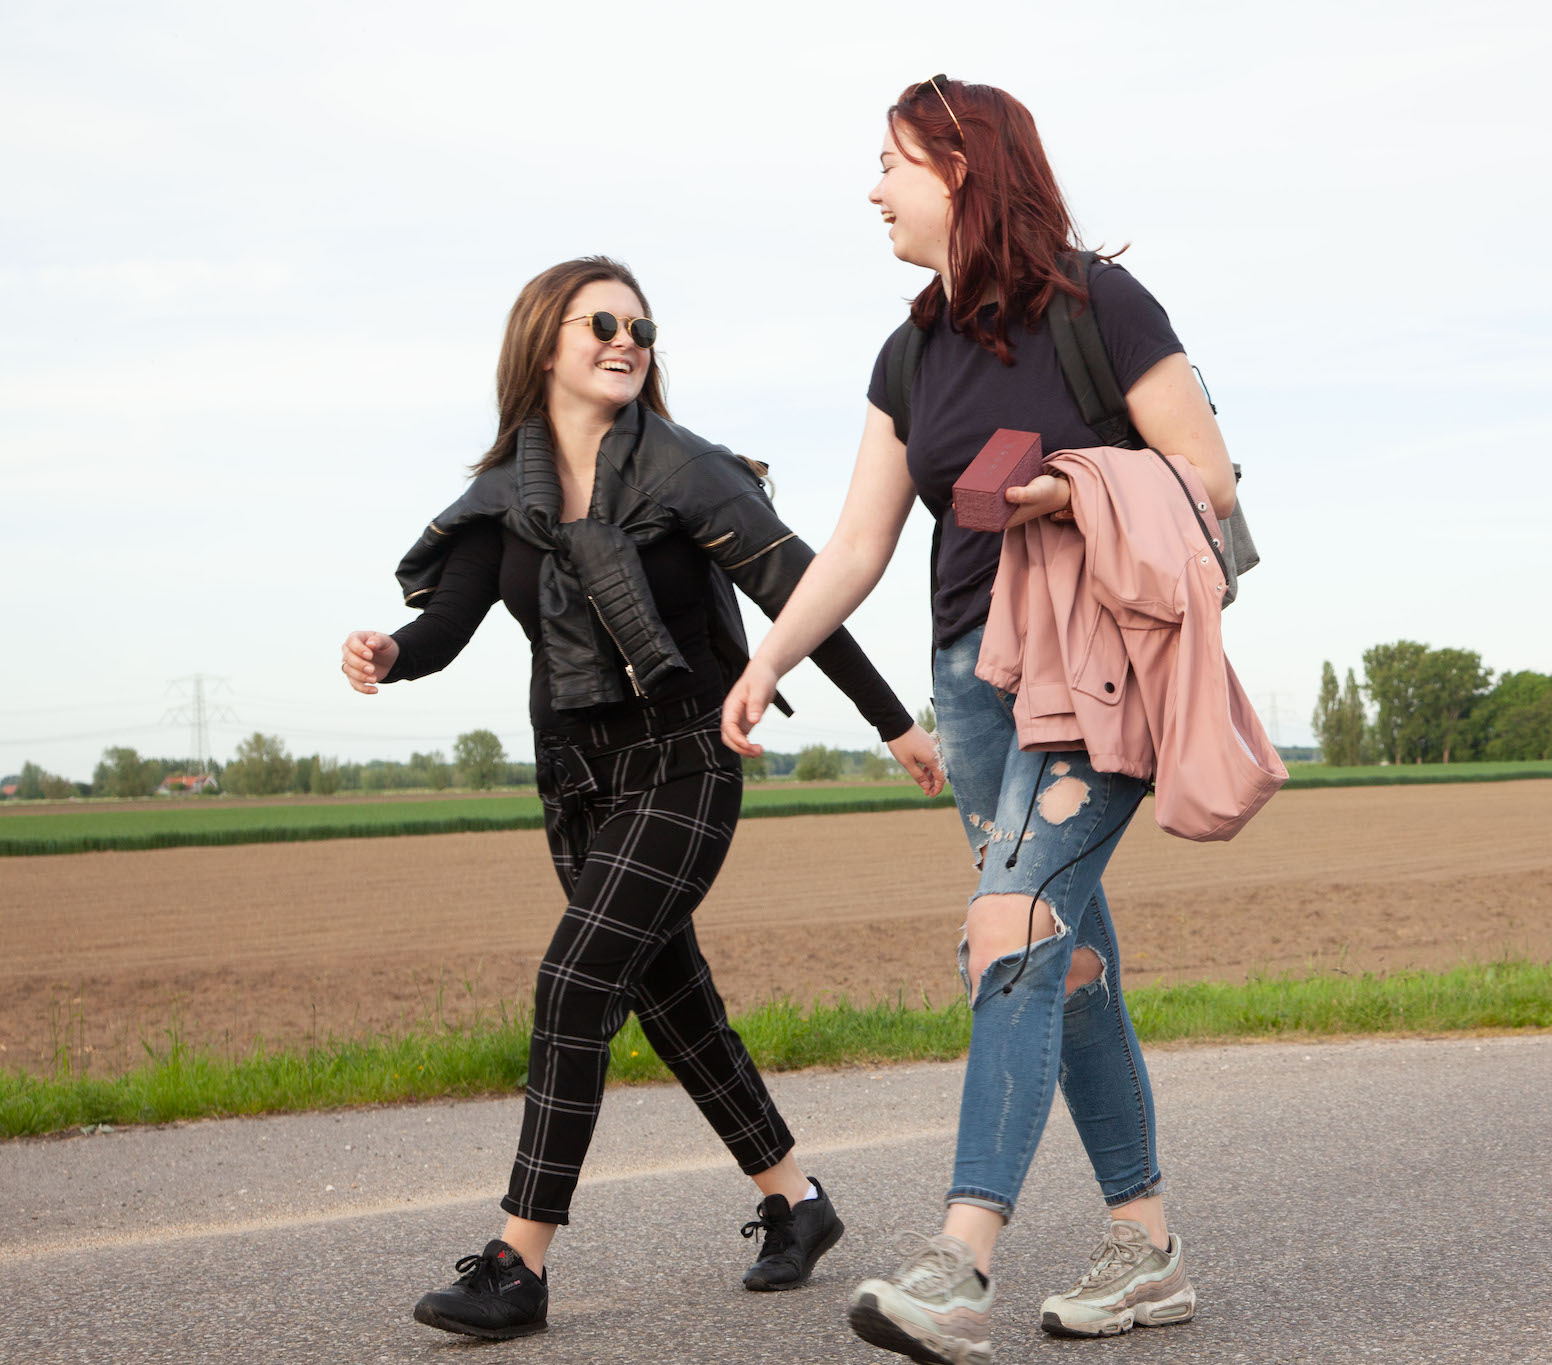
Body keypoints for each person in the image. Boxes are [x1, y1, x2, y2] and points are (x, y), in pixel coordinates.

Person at [718, 77, 1230, 1361]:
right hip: (973, 681)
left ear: (963, 168)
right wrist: (767, 655)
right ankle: (1147, 1248)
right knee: (1064, 959)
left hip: (1091, 672)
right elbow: (856, 542)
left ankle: (960, 1262)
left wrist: (1070, 487)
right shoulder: (909, 351)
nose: (873, 189)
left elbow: (1207, 480)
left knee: (1007, 929)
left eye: (891, 162)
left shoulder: (1101, 305)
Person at [339, 256, 943, 1340]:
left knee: (575, 982)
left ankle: (517, 1265)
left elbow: (805, 595)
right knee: (674, 1005)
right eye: (602, 323)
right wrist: (390, 650)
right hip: (576, 781)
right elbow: (447, 624)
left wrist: (892, 721)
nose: (627, 341)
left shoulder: (687, 471)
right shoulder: (503, 498)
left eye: (640, 327)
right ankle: (797, 1202)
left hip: (684, 762)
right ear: (544, 343)